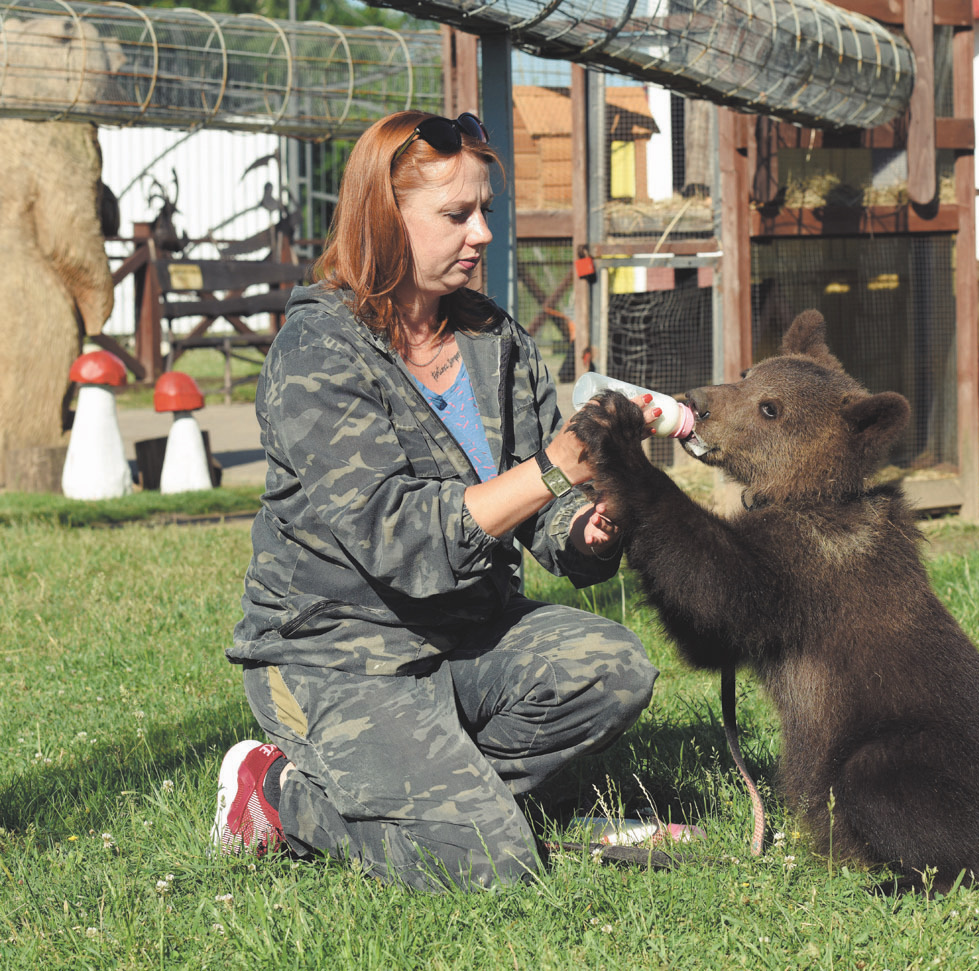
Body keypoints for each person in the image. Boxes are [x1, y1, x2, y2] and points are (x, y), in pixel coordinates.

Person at [209, 110, 659, 892]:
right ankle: (277, 793)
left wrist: (596, 516)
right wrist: (558, 466)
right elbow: (401, 537)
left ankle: (447, 799)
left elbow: (545, 516)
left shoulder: (496, 338)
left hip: (466, 634)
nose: (481, 232)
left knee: (612, 667)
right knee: (493, 867)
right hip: (336, 656)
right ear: (385, 220)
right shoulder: (318, 352)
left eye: (485, 210)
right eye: (457, 215)